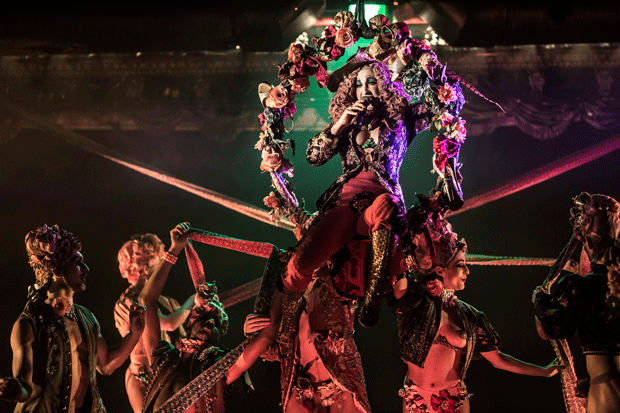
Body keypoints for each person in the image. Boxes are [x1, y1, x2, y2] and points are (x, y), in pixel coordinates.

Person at [284, 51, 466, 328]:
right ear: (351, 90)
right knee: (297, 268)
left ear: (384, 86)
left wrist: (424, 62)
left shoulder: (402, 118)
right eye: (359, 84)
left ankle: (373, 297)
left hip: (382, 202)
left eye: (372, 83)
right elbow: (313, 157)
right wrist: (339, 124)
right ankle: (285, 326)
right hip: (345, 205)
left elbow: (446, 102)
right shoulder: (344, 123)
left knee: (386, 205)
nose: (365, 90)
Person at [388, 212, 562, 413]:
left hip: (454, 401)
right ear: (440, 270)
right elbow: (397, 276)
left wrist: (544, 371)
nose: (467, 272)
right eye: (461, 266)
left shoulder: (470, 316)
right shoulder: (416, 302)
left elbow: (499, 360)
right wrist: (403, 228)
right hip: (417, 401)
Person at [0, 224, 145, 413]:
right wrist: (13, 389)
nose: (86, 269)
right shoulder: (30, 322)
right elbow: (26, 387)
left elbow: (106, 365)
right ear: (57, 268)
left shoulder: (86, 317)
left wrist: (134, 334)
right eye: (77, 263)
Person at [138, 223, 281, 413]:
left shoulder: (222, 364)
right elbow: (145, 299)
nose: (211, 320)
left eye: (217, 319)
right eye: (204, 313)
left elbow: (266, 338)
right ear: (189, 321)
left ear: (222, 332)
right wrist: (175, 248)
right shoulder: (164, 358)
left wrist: (283, 279)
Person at [534, 192, 620, 413]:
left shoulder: (582, 287)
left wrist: (539, 299)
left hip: (607, 397)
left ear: (587, 239)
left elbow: (550, 328)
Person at [114, 233, 195, 413]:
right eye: (159, 260)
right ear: (146, 265)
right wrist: (193, 300)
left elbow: (181, 337)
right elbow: (169, 324)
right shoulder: (127, 303)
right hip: (141, 377)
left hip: (168, 373)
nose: (160, 266)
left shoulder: (167, 302)